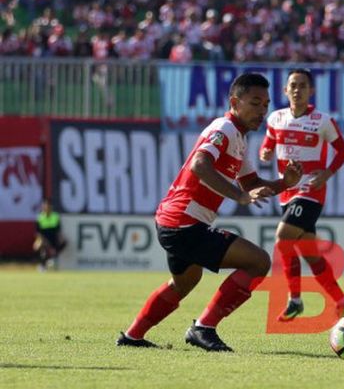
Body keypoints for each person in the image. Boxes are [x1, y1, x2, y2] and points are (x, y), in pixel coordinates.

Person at [117, 73, 302, 351]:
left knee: (185, 282)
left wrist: (283, 184)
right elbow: (200, 165)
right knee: (259, 262)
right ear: (234, 102)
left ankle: (132, 337)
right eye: (254, 103)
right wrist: (239, 195)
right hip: (184, 223)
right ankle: (203, 328)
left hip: (174, 222)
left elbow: (251, 184)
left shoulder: (238, 138)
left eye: (265, 104)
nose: (262, 111)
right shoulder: (224, 128)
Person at [259, 69, 344, 322]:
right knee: (310, 254)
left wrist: (326, 174)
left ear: (311, 91)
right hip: (286, 194)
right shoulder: (276, 118)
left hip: (310, 191)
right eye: (293, 85)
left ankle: (295, 300)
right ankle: (342, 301)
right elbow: (266, 147)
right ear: (285, 90)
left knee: (282, 237)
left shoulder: (322, 120)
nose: (297, 90)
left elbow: (342, 151)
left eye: (302, 85)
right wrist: (264, 154)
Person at [34, 199, 67, 271]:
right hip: (44, 239)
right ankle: (42, 264)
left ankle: (52, 258)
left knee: (64, 242)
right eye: (45, 206)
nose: (47, 208)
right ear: (43, 207)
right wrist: (48, 245)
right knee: (37, 246)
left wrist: (60, 240)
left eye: (48, 206)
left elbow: (58, 231)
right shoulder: (40, 217)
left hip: (54, 239)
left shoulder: (55, 216)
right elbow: (38, 233)